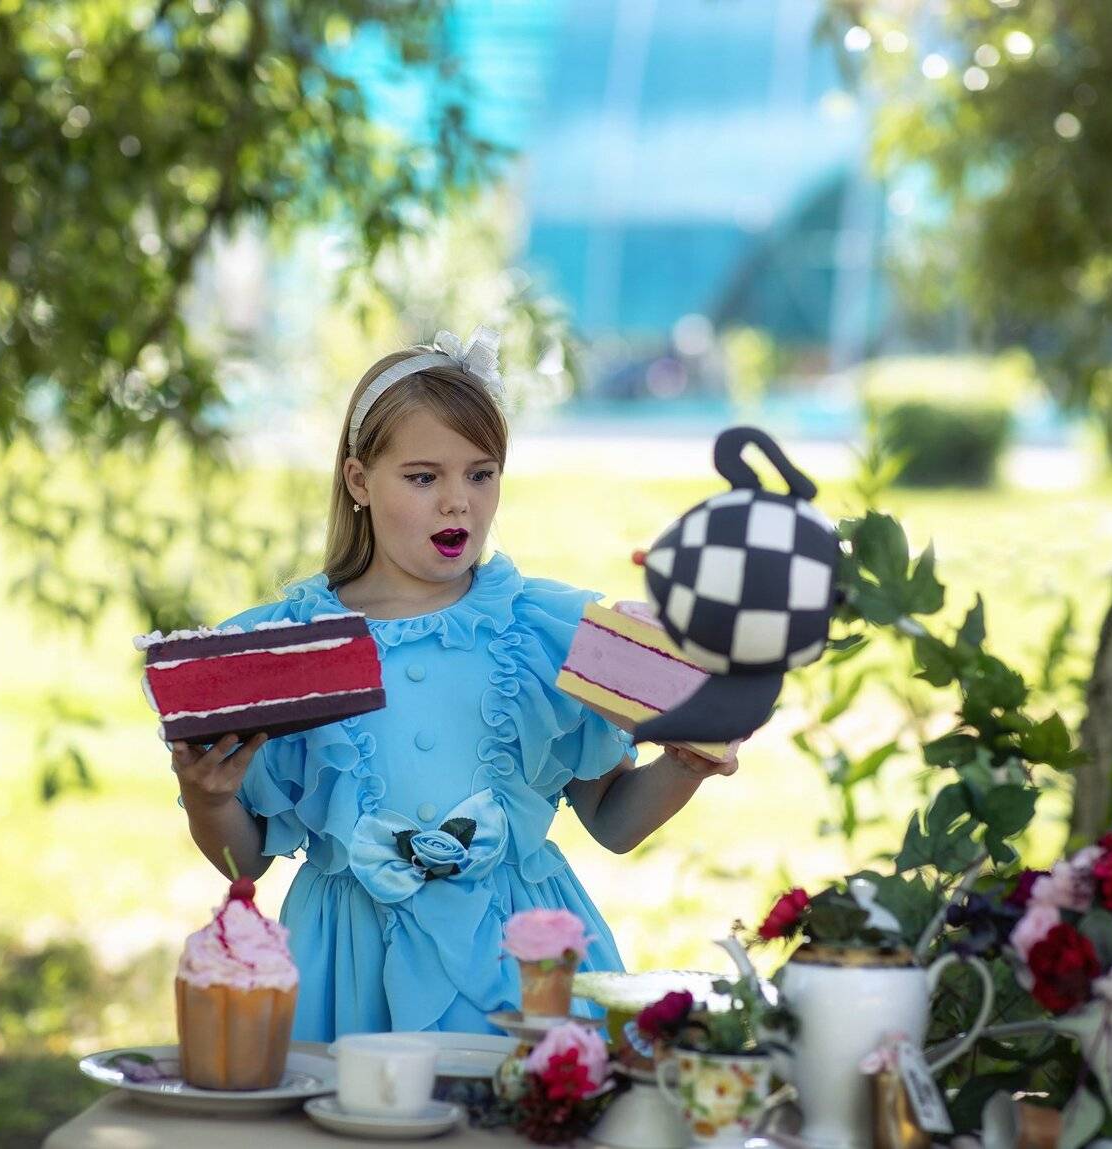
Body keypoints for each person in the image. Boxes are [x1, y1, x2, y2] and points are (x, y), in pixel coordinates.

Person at [170, 327, 738, 1040]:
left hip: (520, 963)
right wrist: (208, 796)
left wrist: (685, 767)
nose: (457, 502)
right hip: (348, 966)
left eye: (480, 473)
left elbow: (615, 822)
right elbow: (245, 859)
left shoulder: (545, 632)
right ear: (358, 481)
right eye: (423, 477)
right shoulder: (291, 648)